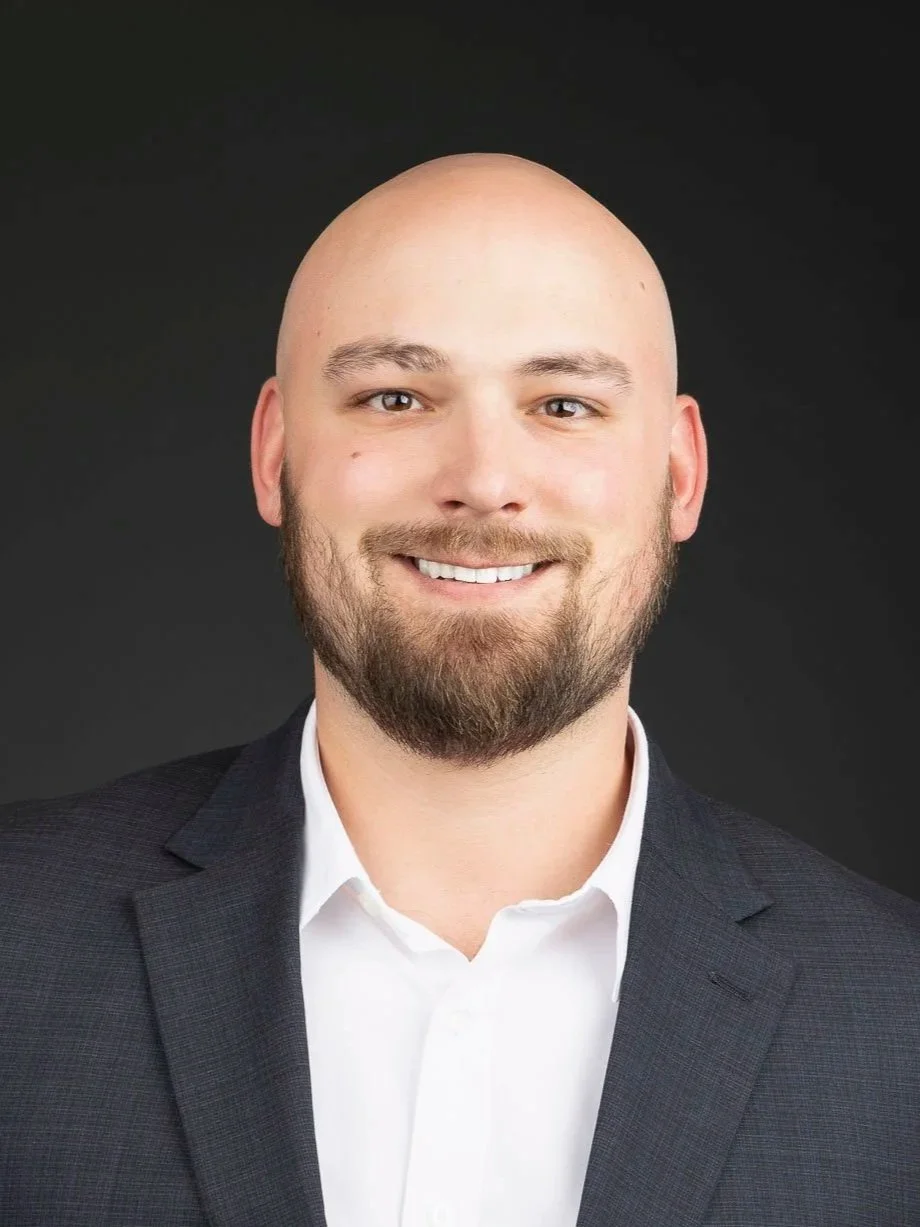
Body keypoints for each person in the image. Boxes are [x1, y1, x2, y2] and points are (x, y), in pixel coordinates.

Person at [1, 152, 917, 1227]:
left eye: (562, 404)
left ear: (677, 476)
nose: (482, 480)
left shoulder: (897, 1027)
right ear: (274, 454)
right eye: (395, 395)